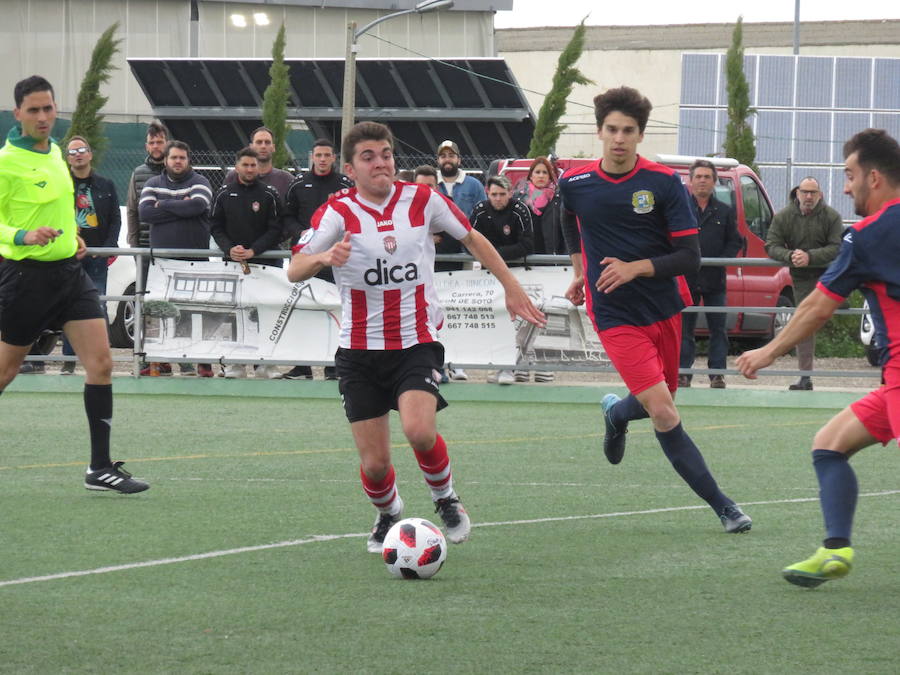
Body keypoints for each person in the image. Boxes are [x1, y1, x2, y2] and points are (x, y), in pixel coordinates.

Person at [287, 121, 545, 553]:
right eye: (368, 157)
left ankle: (446, 499)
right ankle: (388, 512)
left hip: (416, 341)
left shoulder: (423, 200)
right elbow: (294, 268)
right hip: (359, 350)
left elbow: (474, 238)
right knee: (374, 465)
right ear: (350, 168)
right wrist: (324, 257)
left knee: (419, 431)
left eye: (385, 154)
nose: (380, 163)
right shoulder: (337, 212)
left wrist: (511, 286)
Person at [558, 86, 751, 533]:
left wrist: (634, 268)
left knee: (654, 405)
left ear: (640, 135)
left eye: (628, 130)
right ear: (599, 131)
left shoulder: (662, 183)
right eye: (612, 129)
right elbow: (568, 217)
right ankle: (725, 507)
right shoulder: (576, 183)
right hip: (614, 316)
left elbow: (690, 259)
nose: (619, 138)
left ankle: (617, 413)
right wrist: (579, 270)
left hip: (665, 309)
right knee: (665, 411)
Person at [737, 128, 900, 587]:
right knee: (830, 444)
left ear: (873, 177)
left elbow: (816, 306)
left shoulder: (867, 235)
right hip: (891, 384)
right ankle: (835, 548)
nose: (844, 187)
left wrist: (767, 351)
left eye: (848, 176)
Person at [0, 75, 148, 493]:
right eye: (34, 110)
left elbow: (59, 209)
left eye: (49, 108)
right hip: (25, 279)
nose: (44, 117)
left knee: (100, 364)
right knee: (6, 372)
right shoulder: (6, 162)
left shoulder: (55, 155)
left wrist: (73, 237)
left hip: (70, 275)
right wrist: (20, 236)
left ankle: (99, 468)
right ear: (18, 114)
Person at [138, 140, 214, 377]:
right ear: (166, 160)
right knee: (161, 310)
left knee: (195, 311)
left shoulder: (201, 182)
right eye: (174, 158)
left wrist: (164, 205)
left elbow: (198, 206)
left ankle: (198, 362)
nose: (178, 162)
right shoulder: (152, 183)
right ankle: (160, 360)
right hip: (162, 262)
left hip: (195, 260)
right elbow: (145, 212)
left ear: (188, 159)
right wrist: (181, 205)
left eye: (182, 157)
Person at [282, 138, 354, 380]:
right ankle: (302, 367)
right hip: (307, 260)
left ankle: (333, 367)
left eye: (327, 155)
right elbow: (287, 216)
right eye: (318, 155)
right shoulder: (298, 184)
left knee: (336, 313)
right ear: (312, 157)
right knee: (304, 313)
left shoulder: (346, 185)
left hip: (335, 262)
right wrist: (299, 232)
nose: (322, 160)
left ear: (334, 158)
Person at [210, 147, 284, 379]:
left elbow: (276, 229)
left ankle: (266, 364)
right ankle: (235, 364)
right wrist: (229, 249)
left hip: (266, 265)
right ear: (237, 166)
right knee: (236, 313)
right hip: (232, 264)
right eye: (245, 165)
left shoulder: (269, 194)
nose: (250, 169)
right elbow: (215, 226)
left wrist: (254, 250)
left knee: (265, 313)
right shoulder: (223, 193)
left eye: (253, 165)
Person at [765, 176, 843, 390]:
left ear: (820, 195)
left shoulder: (832, 216)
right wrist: (791, 256)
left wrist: (810, 256)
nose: (809, 196)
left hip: (830, 275)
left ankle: (885, 376)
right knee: (805, 324)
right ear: (797, 193)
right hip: (800, 279)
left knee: (850, 313)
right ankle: (805, 376)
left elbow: (838, 247)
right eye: (805, 192)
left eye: (813, 192)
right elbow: (771, 245)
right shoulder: (783, 216)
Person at [57, 135, 121, 375]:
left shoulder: (106, 185)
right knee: (68, 307)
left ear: (91, 154)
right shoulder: (62, 185)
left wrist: (107, 248)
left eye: (82, 149)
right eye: (73, 151)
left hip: (97, 258)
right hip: (69, 256)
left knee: (98, 307)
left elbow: (115, 218)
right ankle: (69, 360)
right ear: (67, 158)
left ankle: (98, 359)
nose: (78, 154)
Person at [678, 159, 742, 389]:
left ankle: (717, 374)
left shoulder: (724, 211)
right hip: (687, 277)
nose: (702, 181)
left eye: (707, 177)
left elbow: (735, 240)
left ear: (714, 182)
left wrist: (720, 261)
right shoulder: (681, 209)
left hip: (715, 279)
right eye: (698, 177)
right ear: (690, 181)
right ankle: (683, 372)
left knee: (718, 329)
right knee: (685, 329)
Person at [469, 175, 534, 386]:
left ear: (510, 194)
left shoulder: (520, 210)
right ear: (488, 193)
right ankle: (497, 363)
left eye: (502, 194)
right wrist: (489, 259)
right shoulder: (480, 210)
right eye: (493, 194)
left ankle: (513, 366)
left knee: (516, 320)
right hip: (487, 274)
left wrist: (494, 255)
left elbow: (527, 244)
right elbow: (469, 240)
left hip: (516, 273)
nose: (497, 198)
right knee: (494, 319)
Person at [512, 155, 563, 383]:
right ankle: (521, 363)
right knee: (523, 315)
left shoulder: (559, 199)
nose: (541, 176)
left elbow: (564, 231)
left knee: (546, 315)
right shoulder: (520, 199)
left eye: (545, 173)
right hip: (525, 264)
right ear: (530, 175)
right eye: (537, 172)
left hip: (550, 264)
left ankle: (543, 364)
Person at [415, 164, 467, 382]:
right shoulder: (401, 211)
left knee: (438, 319)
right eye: (421, 187)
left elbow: (463, 238)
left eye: (431, 186)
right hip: (409, 283)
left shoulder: (445, 207)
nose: (427, 191)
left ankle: (442, 367)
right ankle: (430, 368)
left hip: (443, 274)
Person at [224, 126, 294, 202]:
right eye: (259, 142)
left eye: (267, 142)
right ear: (251, 147)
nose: (263, 146)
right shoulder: (234, 176)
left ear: (273, 147)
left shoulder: (286, 179)